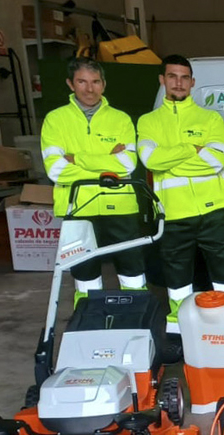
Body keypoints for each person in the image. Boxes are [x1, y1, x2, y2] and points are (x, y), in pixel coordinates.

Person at [138, 54, 224, 341]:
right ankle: (182, 338)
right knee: (178, 283)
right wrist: (192, 148)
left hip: (213, 211)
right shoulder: (149, 121)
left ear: (193, 82)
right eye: (172, 76)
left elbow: (216, 160)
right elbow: (150, 159)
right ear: (162, 80)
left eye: (184, 77)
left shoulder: (210, 118)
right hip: (173, 214)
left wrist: (171, 156)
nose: (179, 83)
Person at [41, 57, 142, 305]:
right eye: (82, 82)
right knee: (85, 273)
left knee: (132, 271)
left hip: (120, 206)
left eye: (95, 82)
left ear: (104, 84)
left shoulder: (121, 119)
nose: (90, 88)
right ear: (70, 84)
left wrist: (76, 159)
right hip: (77, 208)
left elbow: (127, 164)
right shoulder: (55, 120)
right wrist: (107, 160)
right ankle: (89, 320)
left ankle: (136, 317)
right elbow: (55, 169)